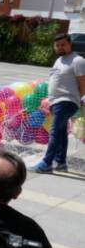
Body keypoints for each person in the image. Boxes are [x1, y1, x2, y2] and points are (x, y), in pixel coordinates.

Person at [32, 33, 85, 173]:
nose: (60, 47)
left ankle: (46, 163)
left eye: (63, 44)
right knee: (60, 133)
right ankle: (61, 163)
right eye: (57, 45)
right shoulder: (59, 60)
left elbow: (83, 83)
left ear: (70, 45)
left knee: (54, 132)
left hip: (66, 101)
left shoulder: (77, 60)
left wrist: (76, 99)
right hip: (56, 102)